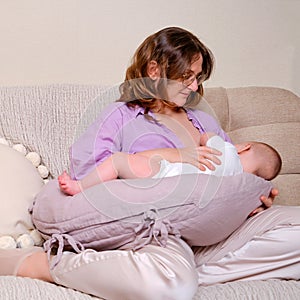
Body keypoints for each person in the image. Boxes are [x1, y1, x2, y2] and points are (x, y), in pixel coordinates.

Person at [1, 27, 299, 300]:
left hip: (214, 228)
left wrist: (250, 197)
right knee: (170, 286)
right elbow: (90, 174)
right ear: (154, 71)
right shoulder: (119, 116)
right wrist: (170, 156)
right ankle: (49, 266)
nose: (195, 87)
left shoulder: (202, 119)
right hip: (158, 228)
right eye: (187, 77)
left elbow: (228, 169)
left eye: (198, 78)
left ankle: (179, 270)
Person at [58, 133, 282, 196]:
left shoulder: (227, 150)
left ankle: (79, 187)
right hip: (177, 190)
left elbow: (206, 137)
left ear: (245, 147)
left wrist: (214, 141)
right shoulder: (237, 184)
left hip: (166, 173)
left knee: (117, 161)